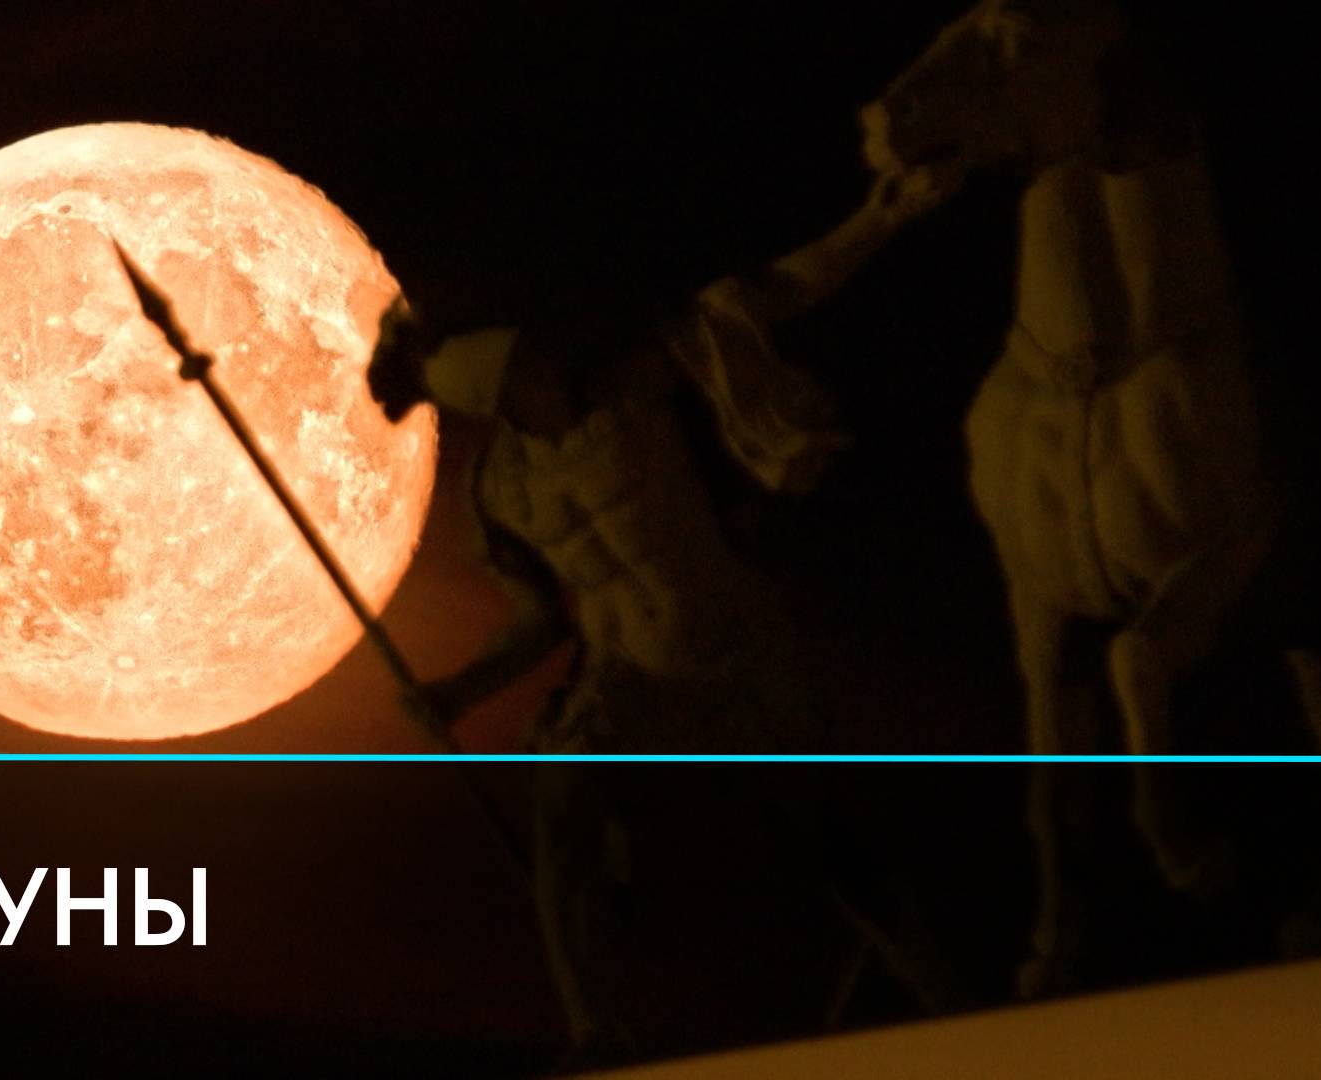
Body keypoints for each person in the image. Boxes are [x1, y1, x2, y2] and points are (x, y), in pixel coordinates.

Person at [367, 168, 955, 1056]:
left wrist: (876, 220)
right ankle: (593, 1027)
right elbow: (541, 622)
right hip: (628, 680)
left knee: (831, 834)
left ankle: (946, 995)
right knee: (562, 801)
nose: (543, 376)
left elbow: (765, 298)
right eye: (523, 375)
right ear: (496, 392)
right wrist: (459, 691)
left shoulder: (627, 393)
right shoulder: (502, 494)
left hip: (737, 650)